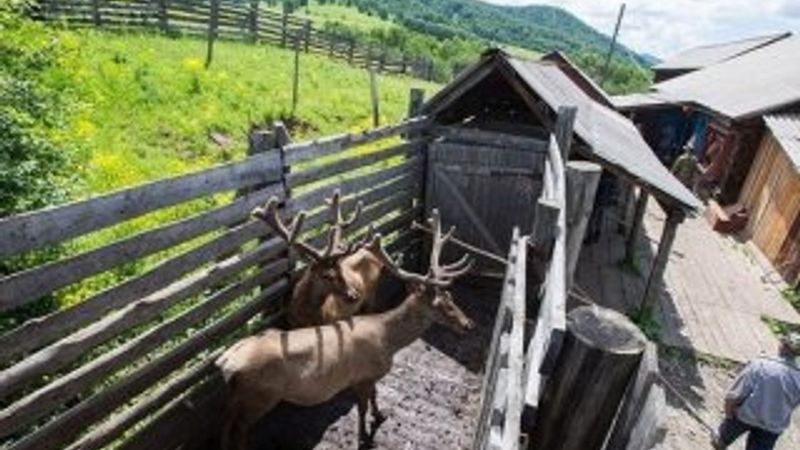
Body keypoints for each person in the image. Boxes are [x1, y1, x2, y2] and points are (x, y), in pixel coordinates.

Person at [713, 333, 800, 450]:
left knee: (720, 439)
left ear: (781, 346)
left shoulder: (760, 364)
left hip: (744, 416)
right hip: (772, 426)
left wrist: (728, 415)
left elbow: (734, 395)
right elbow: (794, 404)